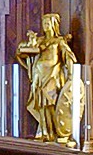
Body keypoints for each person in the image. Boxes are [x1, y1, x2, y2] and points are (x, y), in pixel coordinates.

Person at [16, 13, 78, 146]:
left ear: (54, 25)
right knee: (41, 104)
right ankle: (44, 131)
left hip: (52, 76)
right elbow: (21, 52)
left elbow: (68, 57)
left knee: (51, 103)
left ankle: (55, 132)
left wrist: (73, 75)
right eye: (44, 23)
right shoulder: (39, 42)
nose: (46, 26)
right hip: (39, 76)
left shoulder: (59, 41)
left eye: (48, 23)